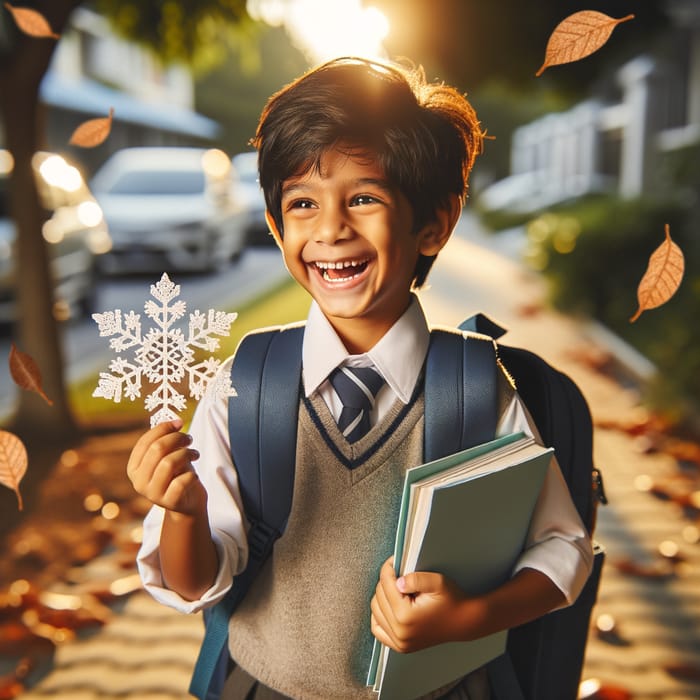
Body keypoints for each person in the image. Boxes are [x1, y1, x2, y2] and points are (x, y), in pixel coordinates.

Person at [129, 57, 594, 700]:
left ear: (435, 221)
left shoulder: (477, 391)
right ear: (275, 224)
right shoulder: (244, 387)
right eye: (301, 203)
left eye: (364, 197)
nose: (330, 229)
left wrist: (472, 616)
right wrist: (182, 512)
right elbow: (193, 582)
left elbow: (561, 546)